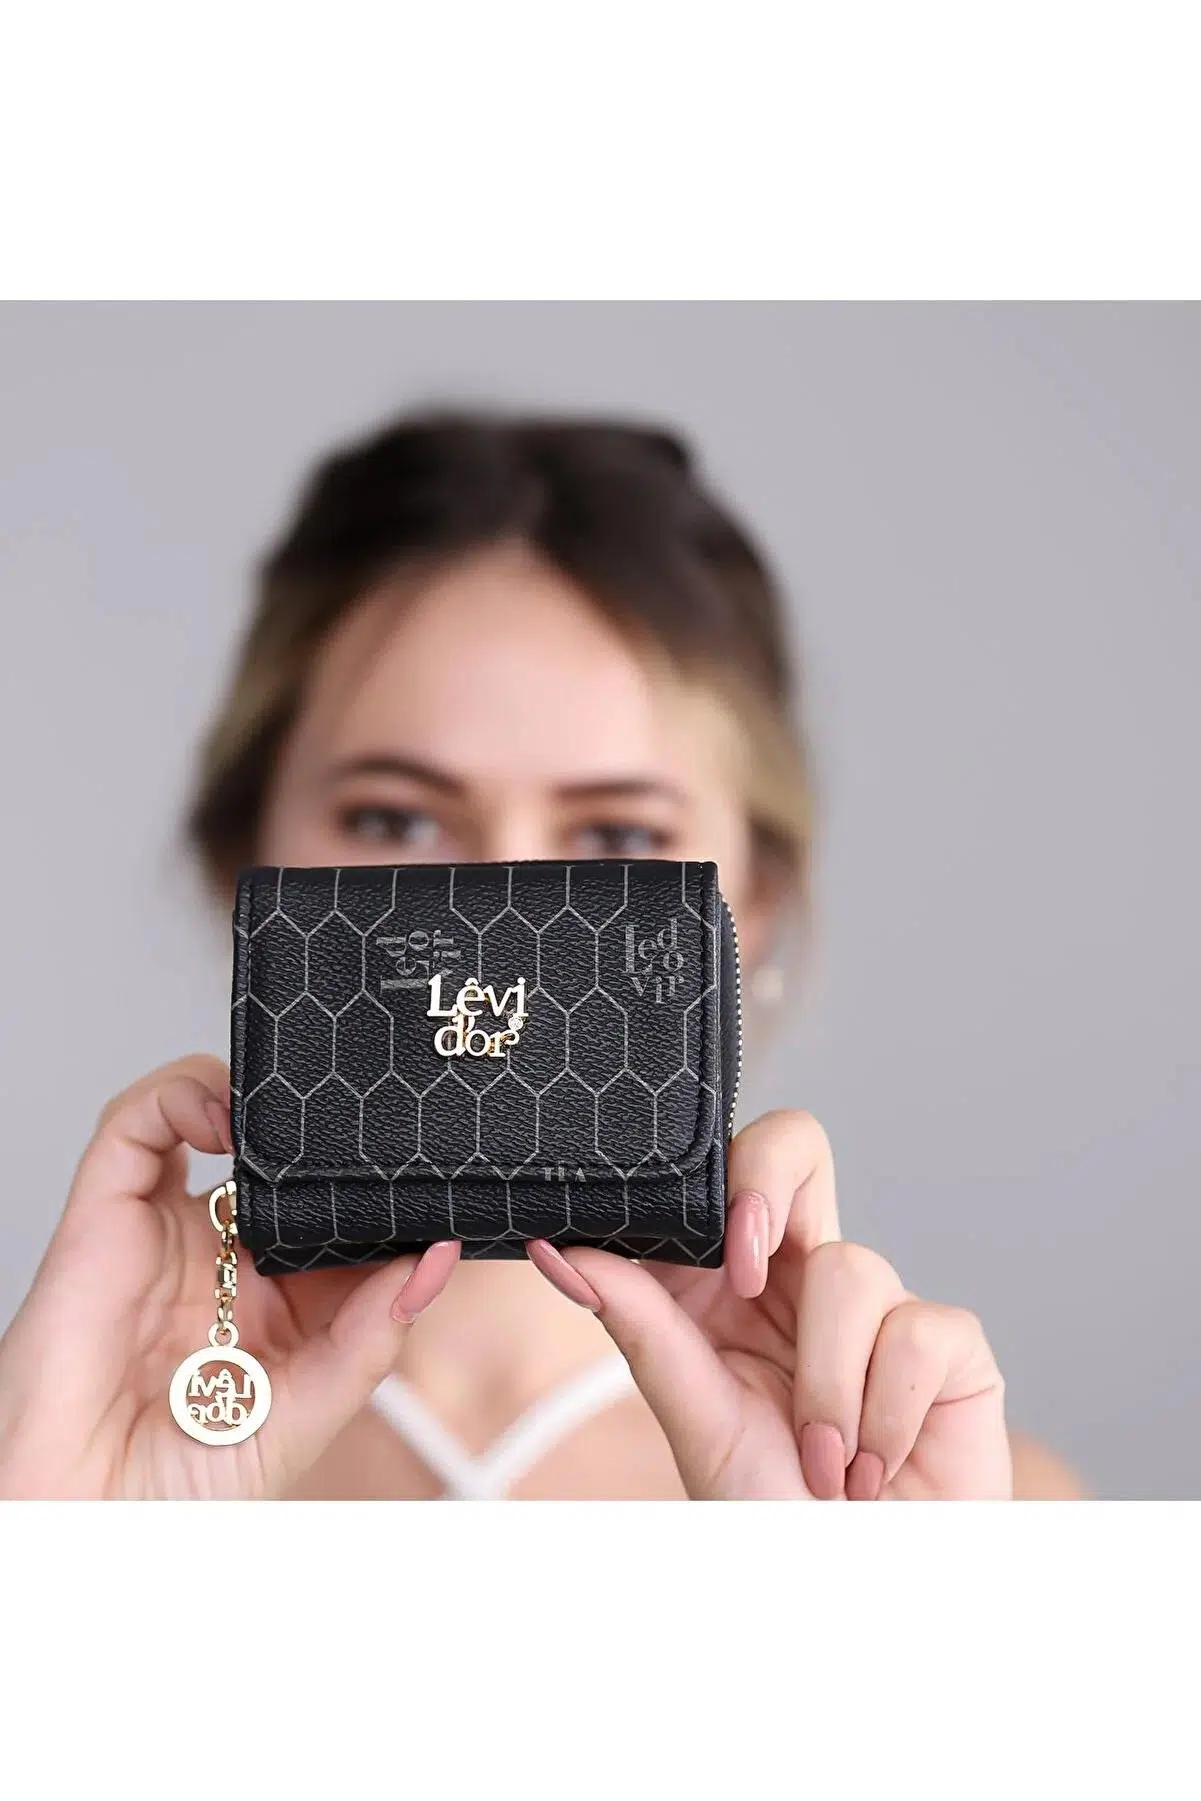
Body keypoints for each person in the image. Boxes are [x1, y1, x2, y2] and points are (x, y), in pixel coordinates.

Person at [0, 410, 1081, 1500]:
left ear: (750, 905)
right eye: (395, 818)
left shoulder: (972, 1507)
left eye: (617, 837)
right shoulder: (80, 1448)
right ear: (245, 864)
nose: (498, 919)